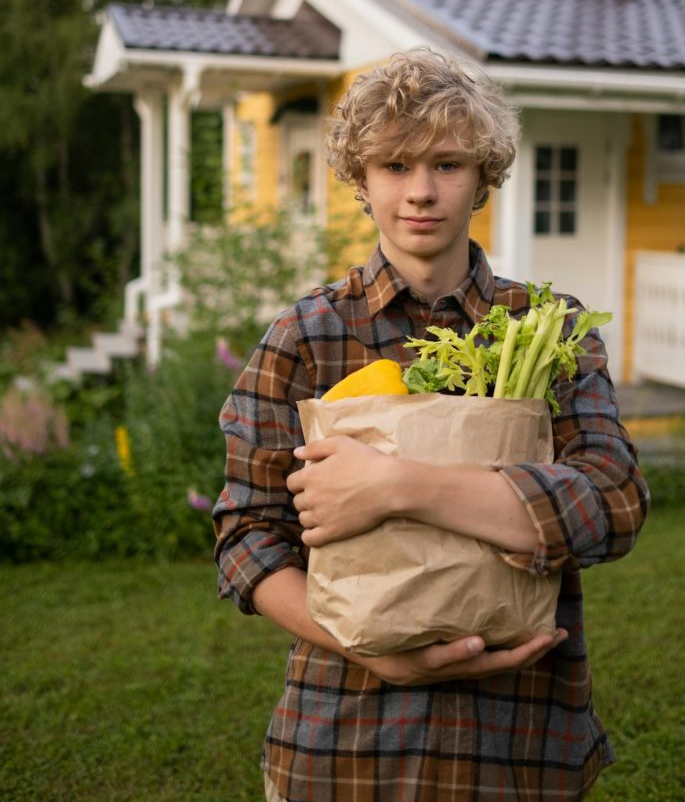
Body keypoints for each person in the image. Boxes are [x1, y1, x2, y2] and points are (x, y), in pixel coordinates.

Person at [213, 47, 650, 802]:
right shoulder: (305, 337)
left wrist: (393, 486)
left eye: (448, 164)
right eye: (394, 166)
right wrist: (370, 648)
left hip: (517, 744)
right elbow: (246, 538)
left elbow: (613, 505)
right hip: (344, 743)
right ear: (360, 179)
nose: (421, 192)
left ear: (485, 176)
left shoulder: (547, 329)